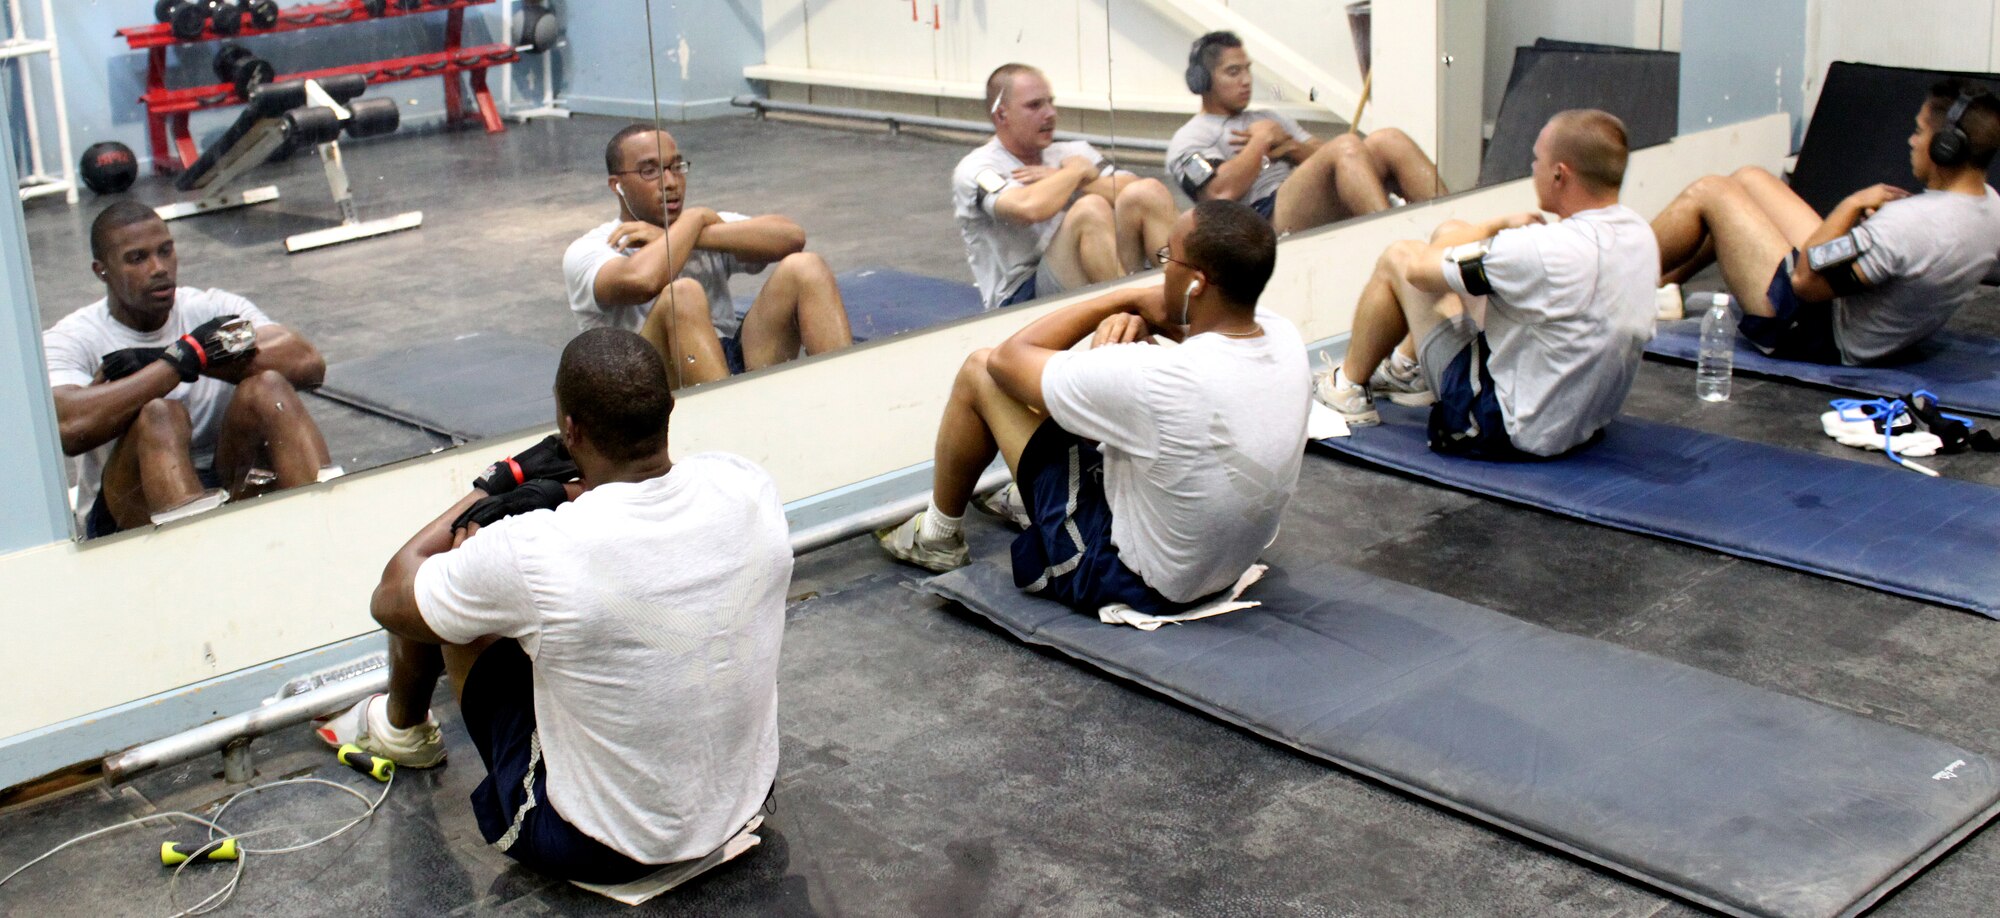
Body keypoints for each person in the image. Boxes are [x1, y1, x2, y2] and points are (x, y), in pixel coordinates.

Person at [324, 328, 790, 884]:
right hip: (742, 801)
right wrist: (567, 491)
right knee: (556, 610)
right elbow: (645, 536)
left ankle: (402, 731)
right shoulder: (746, 485)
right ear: (668, 408)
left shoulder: (536, 552)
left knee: (461, 573)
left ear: (570, 430)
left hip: (605, 849)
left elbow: (393, 594)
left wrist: (497, 484)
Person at [880, 200, 1308, 615]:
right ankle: (1032, 491)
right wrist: (1148, 321)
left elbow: (1005, 361)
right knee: (1105, 411)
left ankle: (937, 536)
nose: (1162, 269)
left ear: (1196, 284)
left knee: (978, 372)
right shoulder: (1283, 335)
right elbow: (1195, 341)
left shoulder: (1158, 377)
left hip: (1137, 582)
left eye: (1168, 258)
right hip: (1223, 565)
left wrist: (1123, 300)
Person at [1314, 110, 1657, 460]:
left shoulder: (1539, 250)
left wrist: (1496, 224)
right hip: (1580, 422)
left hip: (1502, 428)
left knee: (1399, 257)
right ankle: (1406, 367)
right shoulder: (1639, 234)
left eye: (1537, 160)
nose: (1533, 168)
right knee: (1452, 233)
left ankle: (1346, 388)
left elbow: (1418, 271)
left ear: (1559, 174)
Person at [1653, 80, 2000, 366]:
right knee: (1749, 180)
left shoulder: (1905, 225)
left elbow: (1805, 283)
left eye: (1919, 131)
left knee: (1711, 191)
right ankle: (1663, 290)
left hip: (1811, 332)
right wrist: (1873, 232)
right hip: (1859, 315)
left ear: (1945, 148)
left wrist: (1851, 205)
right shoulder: (1991, 205)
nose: (1911, 140)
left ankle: (1623, 275)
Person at [42, 201, 331, 537]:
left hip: (226, 473)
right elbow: (68, 427)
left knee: (268, 388)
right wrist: (174, 363)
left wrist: (190, 356)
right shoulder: (73, 336)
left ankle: (330, 529)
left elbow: (308, 364)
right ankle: (198, 554)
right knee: (160, 415)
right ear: (101, 270)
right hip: (125, 510)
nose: (159, 268)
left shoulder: (210, 306)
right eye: (137, 258)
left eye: (165, 251)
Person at [564, 124, 853, 388]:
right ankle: (727, 414)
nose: (670, 182)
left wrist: (691, 231)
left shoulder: (697, 229)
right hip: (645, 384)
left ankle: (847, 395)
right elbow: (642, 281)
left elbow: (791, 236)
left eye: (676, 166)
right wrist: (694, 220)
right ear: (617, 185)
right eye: (649, 171)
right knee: (683, 294)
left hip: (724, 358)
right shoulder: (591, 248)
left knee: (805, 267)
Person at [1168, 31, 1443, 235]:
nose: (1246, 80)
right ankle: (1392, 240)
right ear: (1203, 81)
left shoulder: (1269, 117)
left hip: (1302, 200)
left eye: (1247, 70)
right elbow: (1219, 193)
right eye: (1233, 72)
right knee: (1346, 144)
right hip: (1259, 222)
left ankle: (1452, 230)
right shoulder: (1190, 137)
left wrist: (1290, 146)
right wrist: (1261, 140)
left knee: (1388, 139)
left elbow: (1338, 155)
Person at [954, 63, 1180, 310]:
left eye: (1050, 103)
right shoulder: (978, 168)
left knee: (1148, 192)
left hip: (1094, 270)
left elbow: (1134, 188)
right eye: (1035, 105)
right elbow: (1028, 208)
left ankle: (1182, 303)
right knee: (1090, 209)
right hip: (1023, 295)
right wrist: (1074, 173)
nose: (1050, 113)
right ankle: (1133, 314)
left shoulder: (1072, 151)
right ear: (1001, 115)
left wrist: (1062, 177)